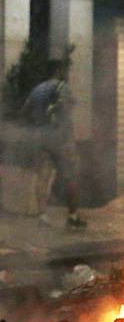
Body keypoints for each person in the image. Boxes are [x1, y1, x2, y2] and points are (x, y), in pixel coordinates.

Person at [18, 60, 86, 228]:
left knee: (43, 176)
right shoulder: (62, 86)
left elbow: (24, 112)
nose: (65, 73)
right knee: (71, 175)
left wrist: (37, 125)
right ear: (58, 70)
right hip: (60, 138)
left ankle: (42, 216)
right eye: (63, 70)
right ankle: (73, 217)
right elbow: (64, 107)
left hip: (41, 137)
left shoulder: (37, 90)